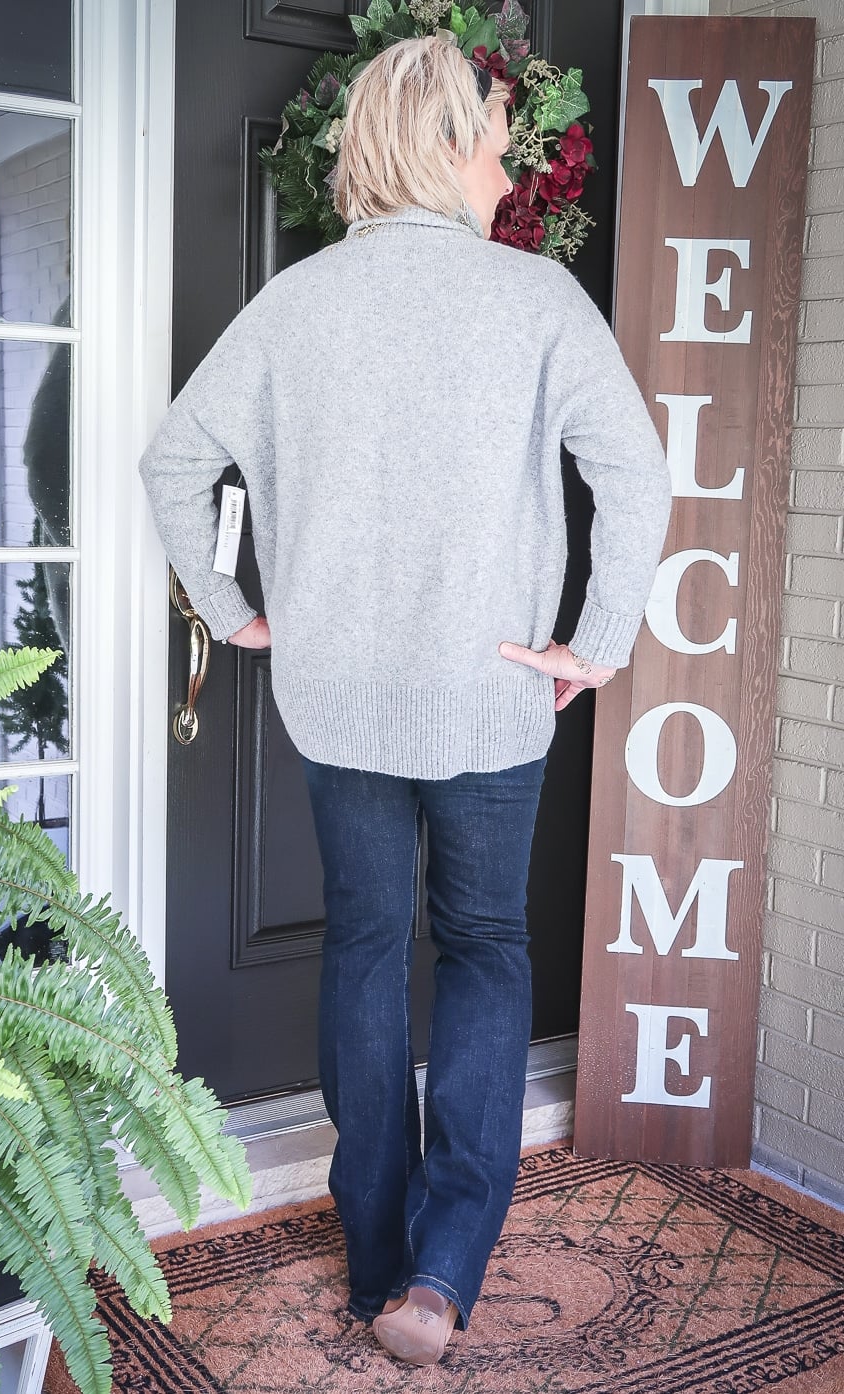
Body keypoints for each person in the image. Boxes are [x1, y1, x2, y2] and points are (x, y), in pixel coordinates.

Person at [139, 36, 671, 1368]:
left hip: (340, 696)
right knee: (484, 944)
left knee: (368, 944)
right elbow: (639, 481)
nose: (507, 160)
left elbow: (173, 461)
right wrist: (595, 646)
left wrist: (237, 609)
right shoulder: (538, 299)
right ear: (443, 146)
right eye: (494, 136)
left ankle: (374, 1248)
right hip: (490, 691)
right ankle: (438, 1269)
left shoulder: (293, 304)